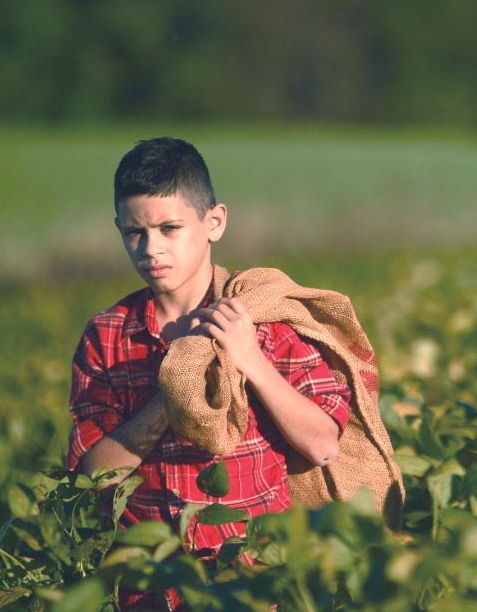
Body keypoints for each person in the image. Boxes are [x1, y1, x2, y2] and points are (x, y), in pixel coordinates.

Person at [67, 137, 352, 610]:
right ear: (119, 229)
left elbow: (323, 445)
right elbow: (92, 474)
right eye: (135, 232)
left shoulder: (263, 318)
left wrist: (250, 360)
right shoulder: (106, 335)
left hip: (257, 581)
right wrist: (174, 393)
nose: (151, 248)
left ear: (213, 222)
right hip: (149, 589)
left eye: (170, 228)